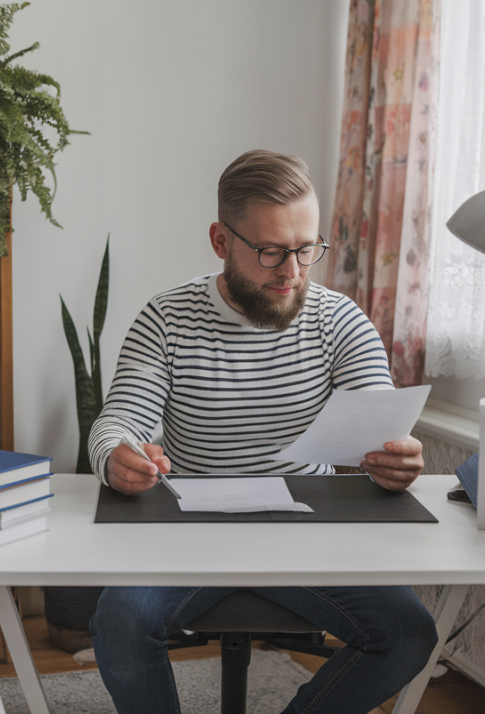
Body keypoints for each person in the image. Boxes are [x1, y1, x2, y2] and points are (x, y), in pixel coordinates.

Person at [87, 149, 438, 714]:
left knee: (407, 635)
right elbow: (119, 421)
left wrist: (398, 461)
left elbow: (380, 421)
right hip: (188, 532)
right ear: (221, 241)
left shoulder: (340, 321)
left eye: (306, 249)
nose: (293, 271)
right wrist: (116, 455)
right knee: (120, 625)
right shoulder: (166, 319)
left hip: (308, 533)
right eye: (271, 251)